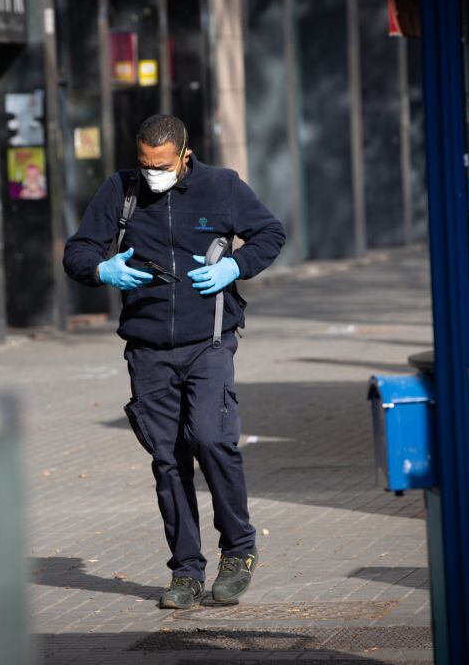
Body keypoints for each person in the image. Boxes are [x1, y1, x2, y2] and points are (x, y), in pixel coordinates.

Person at [63, 114, 286, 609]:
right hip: (147, 349)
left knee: (210, 438)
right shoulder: (120, 190)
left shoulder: (222, 187)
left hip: (208, 340)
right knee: (168, 460)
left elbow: (270, 234)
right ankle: (186, 571)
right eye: (145, 165)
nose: (152, 175)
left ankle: (239, 550)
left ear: (185, 156)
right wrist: (102, 269)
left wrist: (235, 265)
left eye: (162, 166)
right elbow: (77, 251)